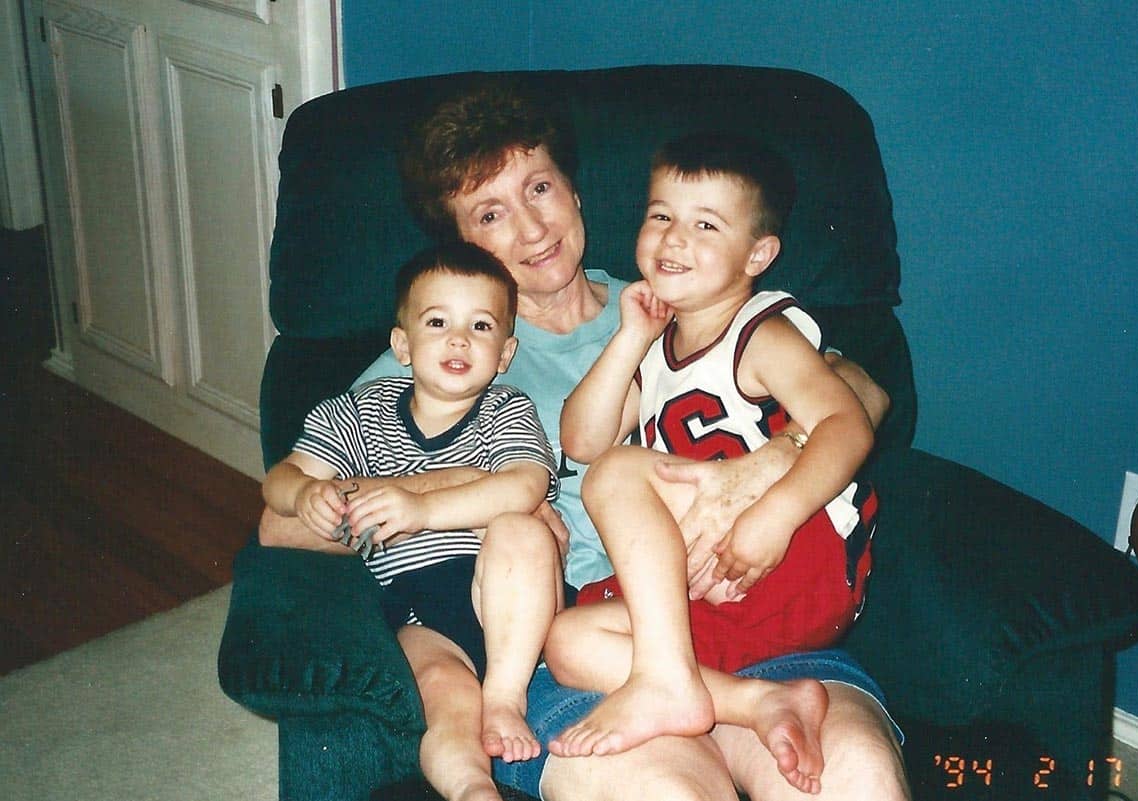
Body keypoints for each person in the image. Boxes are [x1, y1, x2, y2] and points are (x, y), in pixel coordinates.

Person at [260, 84, 910, 801]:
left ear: (575, 190)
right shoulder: (444, 349)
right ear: (460, 243)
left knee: (859, 778)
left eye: (540, 187)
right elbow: (283, 518)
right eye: (490, 213)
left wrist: (767, 464)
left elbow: (865, 391)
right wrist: (486, 500)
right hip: (586, 642)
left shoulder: (675, 291)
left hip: (756, 604)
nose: (533, 227)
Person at [546, 134, 879, 794]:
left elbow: (846, 425)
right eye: (661, 215)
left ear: (758, 254)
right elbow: (582, 438)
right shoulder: (657, 345)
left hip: (792, 550)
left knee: (618, 474)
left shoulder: (763, 332)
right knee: (569, 641)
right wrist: (630, 337)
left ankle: (669, 681)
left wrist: (775, 516)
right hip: (718, 585)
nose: (674, 238)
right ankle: (750, 701)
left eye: (705, 224)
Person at [261, 241, 565, 801]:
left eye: (480, 326)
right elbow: (281, 478)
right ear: (402, 344)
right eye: (437, 321)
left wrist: (421, 509)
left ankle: (504, 695)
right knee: (440, 693)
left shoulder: (506, 408)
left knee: (521, 528)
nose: (458, 339)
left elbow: (526, 485)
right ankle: (472, 788)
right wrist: (305, 492)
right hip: (416, 603)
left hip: (509, 589)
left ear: (504, 353)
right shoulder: (357, 410)